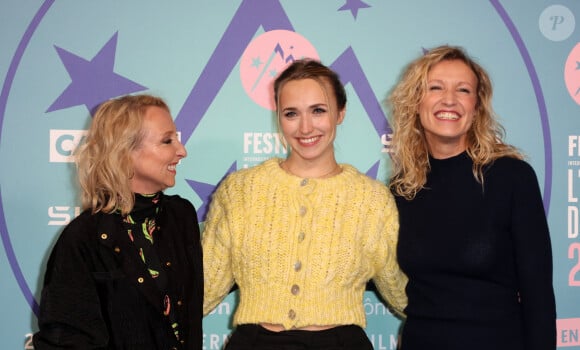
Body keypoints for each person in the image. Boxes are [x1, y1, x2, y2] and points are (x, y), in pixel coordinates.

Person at [202, 58, 407, 349]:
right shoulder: (240, 191)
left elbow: (403, 292)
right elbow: (202, 289)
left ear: (341, 112)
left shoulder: (372, 200)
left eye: (318, 111)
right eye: (291, 113)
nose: (306, 126)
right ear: (278, 117)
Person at [387, 45, 556, 349]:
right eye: (435, 87)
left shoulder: (512, 178)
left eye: (463, 90)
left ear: (476, 107)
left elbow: (538, 296)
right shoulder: (403, 188)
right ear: (415, 102)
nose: (449, 99)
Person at [33, 94, 203, 349]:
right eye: (167, 141)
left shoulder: (181, 216)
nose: (181, 151)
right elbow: (65, 338)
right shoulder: (84, 237)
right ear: (125, 152)